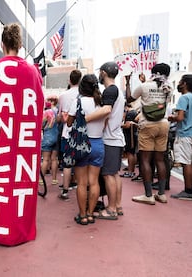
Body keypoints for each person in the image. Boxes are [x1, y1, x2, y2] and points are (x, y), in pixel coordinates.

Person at [0, 23, 44, 245]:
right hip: (24, 139)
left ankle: (2, 228)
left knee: (2, 180)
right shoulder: (32, 70)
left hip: (1, 137)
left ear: (2, 44)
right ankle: (20, 228)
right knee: (21, 180)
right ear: (19, 45)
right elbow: (39, 102)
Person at [126, 63, 172, 205]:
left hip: (147, 124)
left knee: (145, 160)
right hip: (163, 124)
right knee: (160, 159)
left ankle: (148, 195)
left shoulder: (145, 86)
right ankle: (162, 194)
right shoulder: (169, 88)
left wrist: (128, 82)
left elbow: (129, 99)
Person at [85, 61, 125, 219]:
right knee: (114, 174)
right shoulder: (118, 91)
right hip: (117, 138)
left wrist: (86, 118)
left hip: (110, 139)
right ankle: (118, 205)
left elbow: (106, 111)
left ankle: (111, 209)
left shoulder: (110, 90)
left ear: (103, 72)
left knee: (108, 175)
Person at [67, 74, 105, 225]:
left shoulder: (78, 102)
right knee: (94, 182)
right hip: (97, 143)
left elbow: (69, 123)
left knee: (82, 183)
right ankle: (90, 214)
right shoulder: (102, 104)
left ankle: (82, 215)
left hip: (81, 144)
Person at [168, 74, 192, 200]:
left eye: (181, 81)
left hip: (185, 134)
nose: (179, 84)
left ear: (185, 84)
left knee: (185, 162)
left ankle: (188, 191)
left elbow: (180, 117)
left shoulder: (184, 98)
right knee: (191, 161)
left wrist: (172, 117)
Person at [58, 69, 82, 200]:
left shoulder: (63, 96)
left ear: (70, 80)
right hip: (81, 133)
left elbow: (61, 117)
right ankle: (80, 187)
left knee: (67, 163)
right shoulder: (85, 95)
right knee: (80, 163)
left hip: (67, 132)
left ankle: (65, 190)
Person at [40, 96, 59, 186]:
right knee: (54, 159)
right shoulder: (56, 111)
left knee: (46, 160)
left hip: (47, 137)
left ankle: (41, 179)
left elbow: (41, 125)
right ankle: (54, 179)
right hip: (56, 136)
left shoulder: (46, 112)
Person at [120, 103, 139, 179]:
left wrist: (119, 125)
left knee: (130, 153)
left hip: (129, 135)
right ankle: (131, 170)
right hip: (133, 134)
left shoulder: (130, 113)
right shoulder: (134, 112)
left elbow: (127, 125)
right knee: (133, 153)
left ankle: (130, 171)